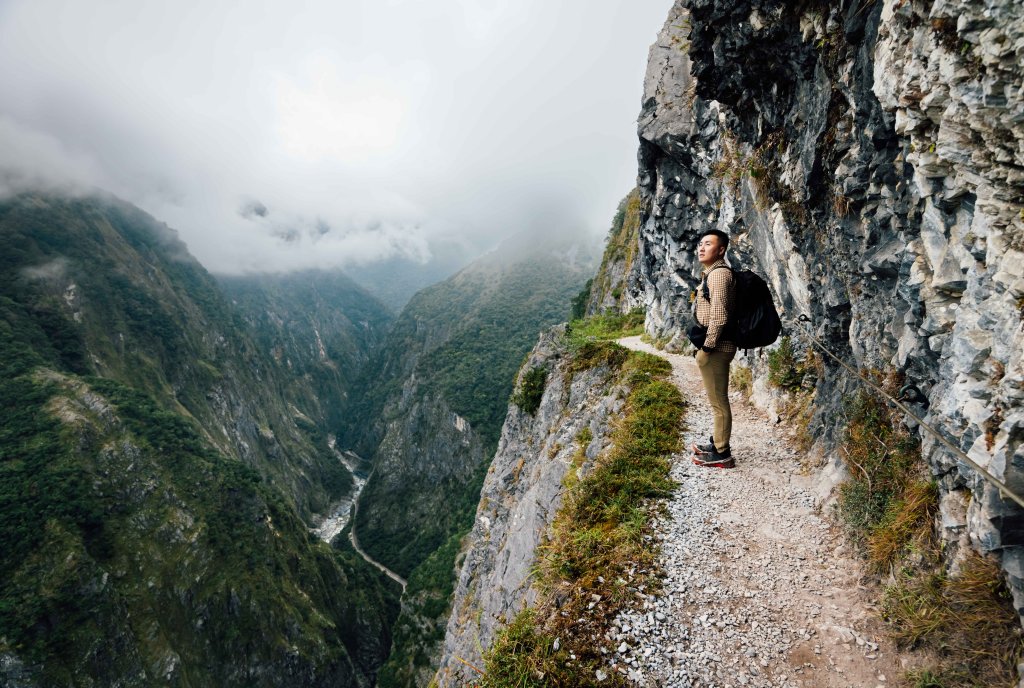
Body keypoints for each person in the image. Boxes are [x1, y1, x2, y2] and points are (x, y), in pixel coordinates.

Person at [691, 229, 737, 469]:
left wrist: (707, 348)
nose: (701, 248)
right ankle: (718, 442)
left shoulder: (718, 275)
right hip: (717, 346)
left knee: (718, 402)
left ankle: (722, 453)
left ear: (721, 250)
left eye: (708, 244)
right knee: (716, 400)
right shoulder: (712, 274)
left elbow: (718, 316)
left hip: (717, 347)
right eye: (700, 244)